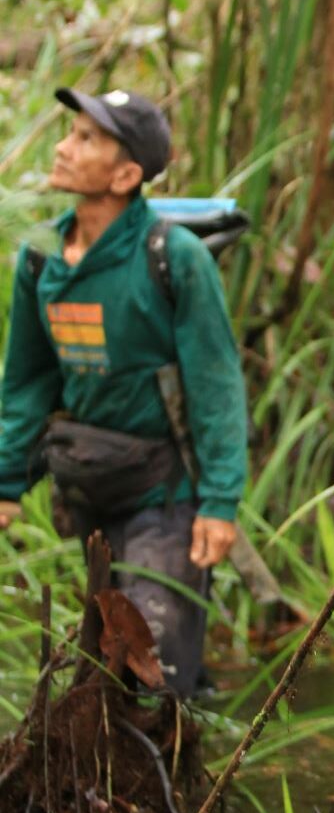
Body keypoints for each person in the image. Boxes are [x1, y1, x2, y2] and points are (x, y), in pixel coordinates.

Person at [0, 88, 247, 697]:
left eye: (86, 138)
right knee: (100, 661)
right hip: (88, 492)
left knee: (149, 666)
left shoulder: (174, 257)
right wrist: (5, 482)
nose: (63, 146)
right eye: (71, 131)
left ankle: (182, 775)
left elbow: (216, 385)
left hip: (166, 497)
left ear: (126, 174)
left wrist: (219, 501)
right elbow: (29, 382)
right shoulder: (40, 261)